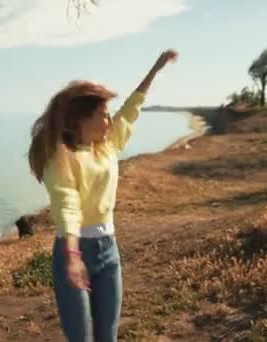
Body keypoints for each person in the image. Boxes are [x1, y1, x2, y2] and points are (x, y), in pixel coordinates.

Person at [27, 49, 178, 342]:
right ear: (81, 120)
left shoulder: (106, 146)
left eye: (108, 115)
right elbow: (67, 207)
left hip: (109, 251)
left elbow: (132, 109)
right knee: (81, 337)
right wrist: (72, 256)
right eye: (102, 115)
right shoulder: (61, 157)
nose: (109, 121)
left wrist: (156, 69)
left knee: (107, 336)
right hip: (73, 250)